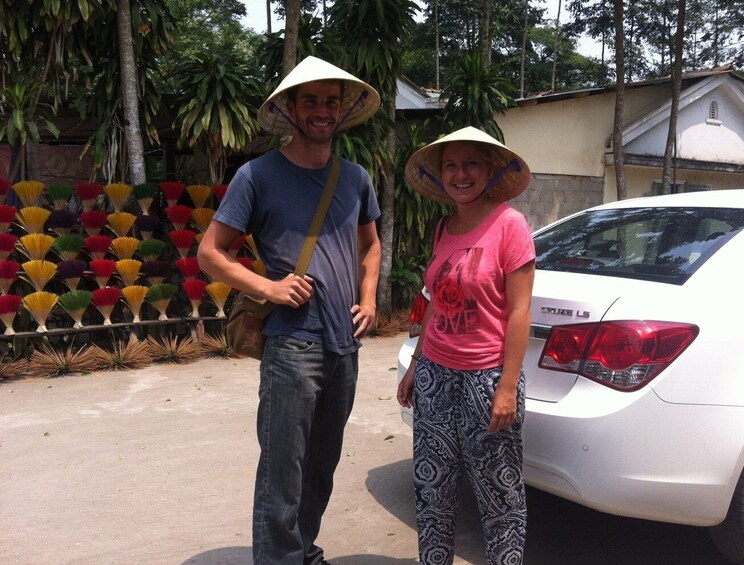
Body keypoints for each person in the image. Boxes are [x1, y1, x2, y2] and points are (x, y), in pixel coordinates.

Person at [197, 56, 382, 565]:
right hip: (291, 346)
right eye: (311, 101)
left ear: (341, 111)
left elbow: (371, 246)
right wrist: (269, 288)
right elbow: (210, 252)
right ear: (290, 109)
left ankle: (301, 551)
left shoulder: (355, 178)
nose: (322, 111)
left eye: (330, 102)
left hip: (344, 344)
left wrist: (368, 299)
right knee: (284, 470)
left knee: (322, 466)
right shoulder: (257, 176)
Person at [397, 126, 535, 564]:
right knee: (432, 489)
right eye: (451, 166)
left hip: (487, 378)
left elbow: (519, 312)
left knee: (499, 495)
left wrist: (507, 387)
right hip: (437, 374)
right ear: (441, 175)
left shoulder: (510, 225)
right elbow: (438, 301)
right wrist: (418, 362)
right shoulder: (444, 227)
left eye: (470, 164)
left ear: (489, 170)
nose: (460, 174)